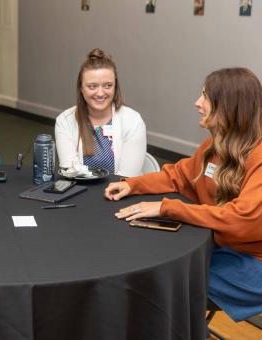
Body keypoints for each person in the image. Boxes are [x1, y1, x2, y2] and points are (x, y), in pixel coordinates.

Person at [105, 68, 262, 322]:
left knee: (166, 283)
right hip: (221, 247)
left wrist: (168, 208)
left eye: (205, 97)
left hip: (253, 263)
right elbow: (179, 175)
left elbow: (243, 220)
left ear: (228, 106)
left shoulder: (259, 156)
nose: (197, 103)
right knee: (157, 270)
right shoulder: (214, 147)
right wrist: (133, 185)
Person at [55, 48, 146, 177]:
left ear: (115, 86)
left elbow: (126, 178)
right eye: (92, 86)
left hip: (121, 194)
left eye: (108, 85)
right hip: (80, 192)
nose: (100, 93)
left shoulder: (133, 120)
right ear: (81, 88)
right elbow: (71, 173)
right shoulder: (64, 120)